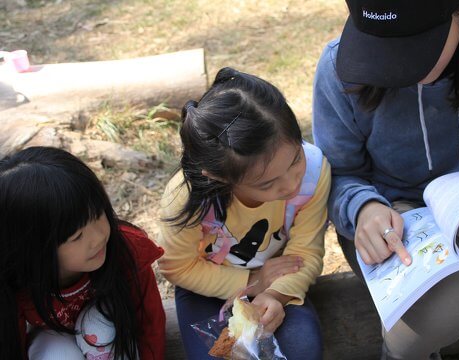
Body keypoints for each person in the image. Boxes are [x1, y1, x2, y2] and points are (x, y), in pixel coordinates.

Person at [312, 0, 459, 359]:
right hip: (393, 213)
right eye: (380, 46)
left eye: (414, 42)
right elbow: (337, 173)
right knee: (448, 297)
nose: (394, 65)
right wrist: (363, 209)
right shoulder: (339, 67)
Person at [158, 67, 330, 360]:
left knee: (303, 347)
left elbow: (307, 252)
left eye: (295, 160)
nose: (291, 184)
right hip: (208, 285)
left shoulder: (314, 172)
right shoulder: (186, 198)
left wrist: (274, 294)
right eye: (267, 184)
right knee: (215, 355)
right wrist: (252, 282)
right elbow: (178, 267)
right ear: (218, 177)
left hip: (279, 279)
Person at [0, 146, 166, 360]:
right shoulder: (15, 282)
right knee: (56, 353)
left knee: (102, 332)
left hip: (115, 330)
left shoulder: (127, 248)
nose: (97, 237)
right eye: (77, 236)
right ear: (33, 249)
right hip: (55, 339)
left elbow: (150, 322)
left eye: (98, 215)